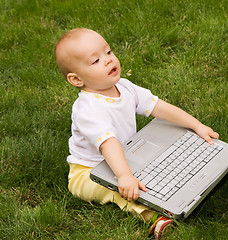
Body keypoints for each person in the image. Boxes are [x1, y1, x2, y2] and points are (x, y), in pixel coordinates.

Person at [55, 28, 219, 239]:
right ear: (77, 79)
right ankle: (152, 217)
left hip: (123, 157)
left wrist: (196, 125)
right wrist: (124, 176)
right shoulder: (89, 109)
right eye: (95, 61)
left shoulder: (124, 87)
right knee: (121, 190)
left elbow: (158, 107)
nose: (108, 60)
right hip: (89, 172)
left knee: (154, 170)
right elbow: (108, 143)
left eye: (108, 52)